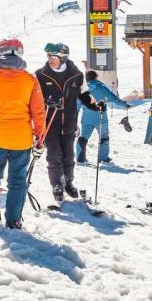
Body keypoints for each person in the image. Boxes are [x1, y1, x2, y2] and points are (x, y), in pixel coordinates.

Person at [0, 37, 47, 229]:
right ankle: (14, 220)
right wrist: (40, 138)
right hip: (21, 139)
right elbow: (39, 112)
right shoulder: (30, 79)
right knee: (17, 180)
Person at [35, 43, 100, 202]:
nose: (50, 60)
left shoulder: (76, 75)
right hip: (49, 123)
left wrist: (96, 105)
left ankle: (68, 182)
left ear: (63, 58)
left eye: (54, 57)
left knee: (69, 155)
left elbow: (85, 95)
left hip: (69, 122)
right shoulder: (40, 75)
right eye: (49, 57)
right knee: (54, 155)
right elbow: (33, 98)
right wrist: (46, 102)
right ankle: (57, 184)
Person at [77, 70, 130, 164]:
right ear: (96, 77)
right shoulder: (101, 87)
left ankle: (80, 158)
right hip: (101, 117)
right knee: (104, 137)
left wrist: (74, 119)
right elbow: (113, 98)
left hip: (86, 118)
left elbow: (77, 105)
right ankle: (103, 158)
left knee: (83, 137)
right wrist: (125, 105)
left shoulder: (83, 89)